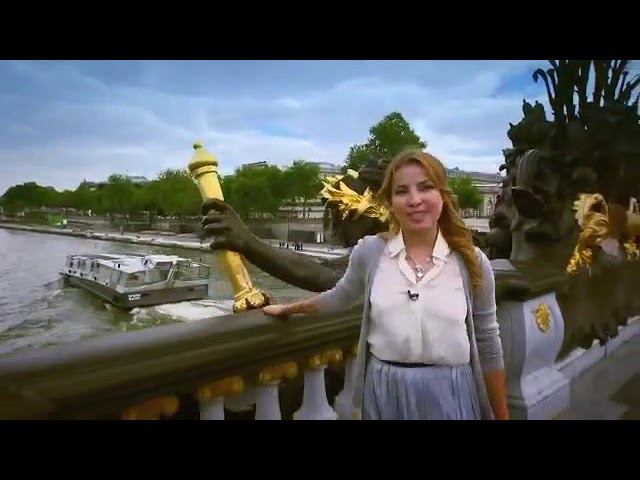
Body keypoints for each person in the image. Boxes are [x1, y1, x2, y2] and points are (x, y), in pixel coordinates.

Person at [262, 149, 509, 420]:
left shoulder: (471, 261)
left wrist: (501, 415)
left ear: (443, 196)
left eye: (425, 187)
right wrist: (289, 309)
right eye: (402, 191)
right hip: (384, 390)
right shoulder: (370, 252)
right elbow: (341, 296)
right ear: (390, 202)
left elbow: (487, 342)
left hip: (450, 391)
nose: (414, 200)